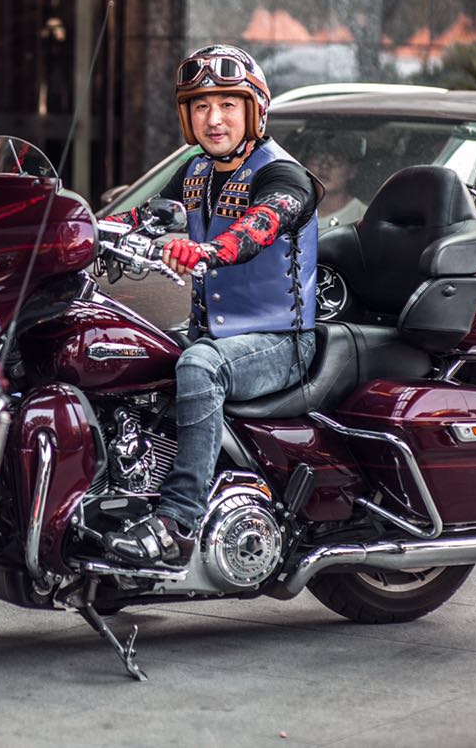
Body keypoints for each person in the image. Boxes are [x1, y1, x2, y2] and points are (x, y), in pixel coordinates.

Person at [101, 44, 321, 568]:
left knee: (199, 366)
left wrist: (206, 250)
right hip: (213, 332)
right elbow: (144, 215)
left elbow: (261, 225)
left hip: (280, 340)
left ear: (254, 110)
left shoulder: (284, 175)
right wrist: (79, 230)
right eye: (201, 106)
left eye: (226, 104)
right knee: (119, 347)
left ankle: (178, 522)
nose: (213, 118)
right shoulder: (197, 170)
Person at [307, 130, 367, 228]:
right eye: (317, 157)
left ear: (353, 170)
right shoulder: (291, 210)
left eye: (336, 159)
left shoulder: (363, 217)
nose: (324, 166)